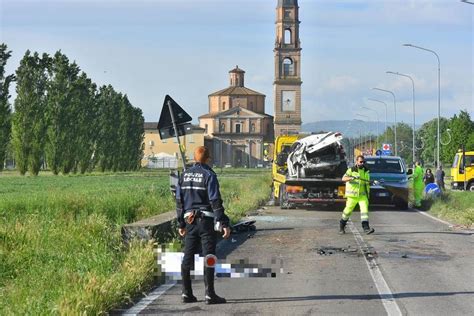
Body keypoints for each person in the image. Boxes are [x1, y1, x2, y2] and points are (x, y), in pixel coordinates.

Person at [176, 146, 231, 304]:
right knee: (210, 256)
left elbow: (179, 202)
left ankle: (186, 293)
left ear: (194, 158)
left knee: (188, 256)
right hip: (206, 221)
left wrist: (181, 223)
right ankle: (210, 294)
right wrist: (223, 222)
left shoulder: (184, 175)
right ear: (208, 159)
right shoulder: (209, 175)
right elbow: (215, 201)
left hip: (189, 221)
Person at [339, 155, 374, 235]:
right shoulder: (351, 170)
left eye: (363, 162)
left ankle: (366, 228)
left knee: (364, 212)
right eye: (360, 162)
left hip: (362, 195)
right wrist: (351, 178)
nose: (362, 163)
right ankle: (342, 226)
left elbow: (366, 182)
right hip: (352, 196)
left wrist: (371, 182)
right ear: (357, 162)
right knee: (347, 212)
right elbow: (343, 179)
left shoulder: (366, 171)